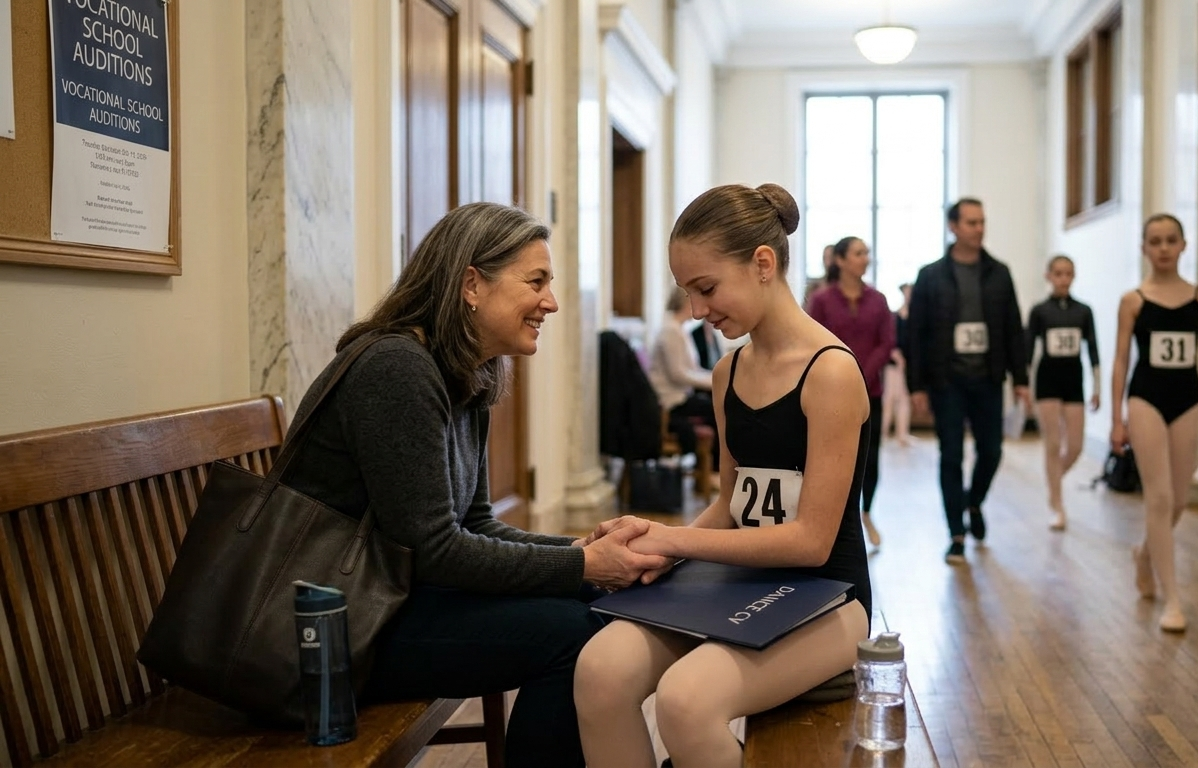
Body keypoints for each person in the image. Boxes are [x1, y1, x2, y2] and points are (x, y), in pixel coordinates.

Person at [279, 203, 670, 768]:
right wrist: (583, 565)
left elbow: (476, 524)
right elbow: (433, 549)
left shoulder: (467, 370)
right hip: (338, 629)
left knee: (594, 601)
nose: (552, 302)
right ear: (471, 285)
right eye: (535, 282)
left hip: (393, 599)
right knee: (573, 634)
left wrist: (582, 553)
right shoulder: (396, 368)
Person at [573, 183, 873, 768]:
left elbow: (811, 543)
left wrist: (672, 538)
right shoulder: (727, 373)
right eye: (687, 293)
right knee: (599, 671)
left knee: (686, 702)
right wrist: (657, 551)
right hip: (742, 581)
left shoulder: (831, 372)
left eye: (706, 288)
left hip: (831, 597)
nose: (696, 311)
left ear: (763, 263)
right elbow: (732, 504)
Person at [1109, 214, 1198, 633]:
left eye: (1170, 240)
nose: (1163, 248)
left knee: (1180, 499)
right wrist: (1116, 418)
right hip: (1145, 399)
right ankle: (1173, 599)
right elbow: (1121, 360)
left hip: (1187, 401)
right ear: (1144, 248)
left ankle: (1145, 554)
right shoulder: (1133, 300)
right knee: (1159, 499)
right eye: (1155, 241)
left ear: (1184, 245)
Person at [906, 198, 1031, 565]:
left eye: (982, 222)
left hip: (989, 379)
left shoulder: (999, 272)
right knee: (952, 456)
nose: (979, 228)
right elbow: (917, 333)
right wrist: (917, 386)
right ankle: (955, 533)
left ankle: (973, 503)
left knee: (991, 451)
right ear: (953, 227)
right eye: (972, 222)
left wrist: (1021, 379)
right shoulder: (931, 275)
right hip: (948, 381)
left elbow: (1012, 329)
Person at [807, 236, 894, 548]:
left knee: (870, 458)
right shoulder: (821, 300)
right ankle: (839, 520)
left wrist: (863, 373)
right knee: (834, 458)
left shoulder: (879, 299)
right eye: (859, 253)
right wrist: (844, 373)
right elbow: (813, 339)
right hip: (831, 394)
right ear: (841, 261)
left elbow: (886, 342)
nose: (865, 258)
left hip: (870, 391)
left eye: (867, 253)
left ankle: (866, 512)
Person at [1026, 256, 1100, 531]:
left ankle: (1052, 484)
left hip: (1074, 381)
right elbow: (1028, 348)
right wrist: (1024, 387)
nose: (1063, 279)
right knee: (1053, 444)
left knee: (1076, 446)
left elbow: (1092, 347)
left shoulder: (1083, 311)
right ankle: (1057, 504)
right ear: (1049, 276)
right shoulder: (1040, 311)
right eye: (1058, 273)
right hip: (1047, 381)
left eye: (1068, 273)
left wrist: (1097, 386)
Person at [650, 292, 719, 471]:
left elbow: (693, 369)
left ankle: (711, 467)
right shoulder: (670, 331)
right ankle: (713, 469)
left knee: (717, 405)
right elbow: (678, 374)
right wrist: (713, 382)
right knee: (718, 408)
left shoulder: (680, 330)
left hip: (681, 394)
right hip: (671, 399)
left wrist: (717, 377)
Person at [881, 282, 914, 447]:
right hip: (893, 363)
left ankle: (902, 434)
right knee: (889, 398)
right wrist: (896, 355)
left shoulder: (916, 317)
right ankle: (884, 432)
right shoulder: (894, 316)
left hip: (908, 365)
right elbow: (889, 339)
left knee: (904, 399)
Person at [801, 243, 836, 309]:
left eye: (830, 258)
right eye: (824, 258)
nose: (827, 263)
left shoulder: (846, 289)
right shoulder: (813, 287)